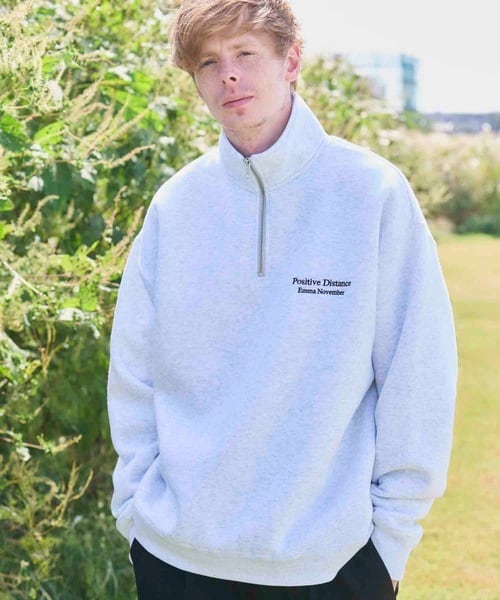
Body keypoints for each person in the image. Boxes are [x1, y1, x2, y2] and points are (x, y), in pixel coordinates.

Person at [106, 1, 459, 598]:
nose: (228, 75)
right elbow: (135, 371)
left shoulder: (370, 193)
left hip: (331, 565)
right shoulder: (177, 205)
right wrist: (136, 511)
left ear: (291, 61)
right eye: (209, 62)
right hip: (176, 557)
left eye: (245, 53)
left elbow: (417, 372)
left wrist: (392, 540)